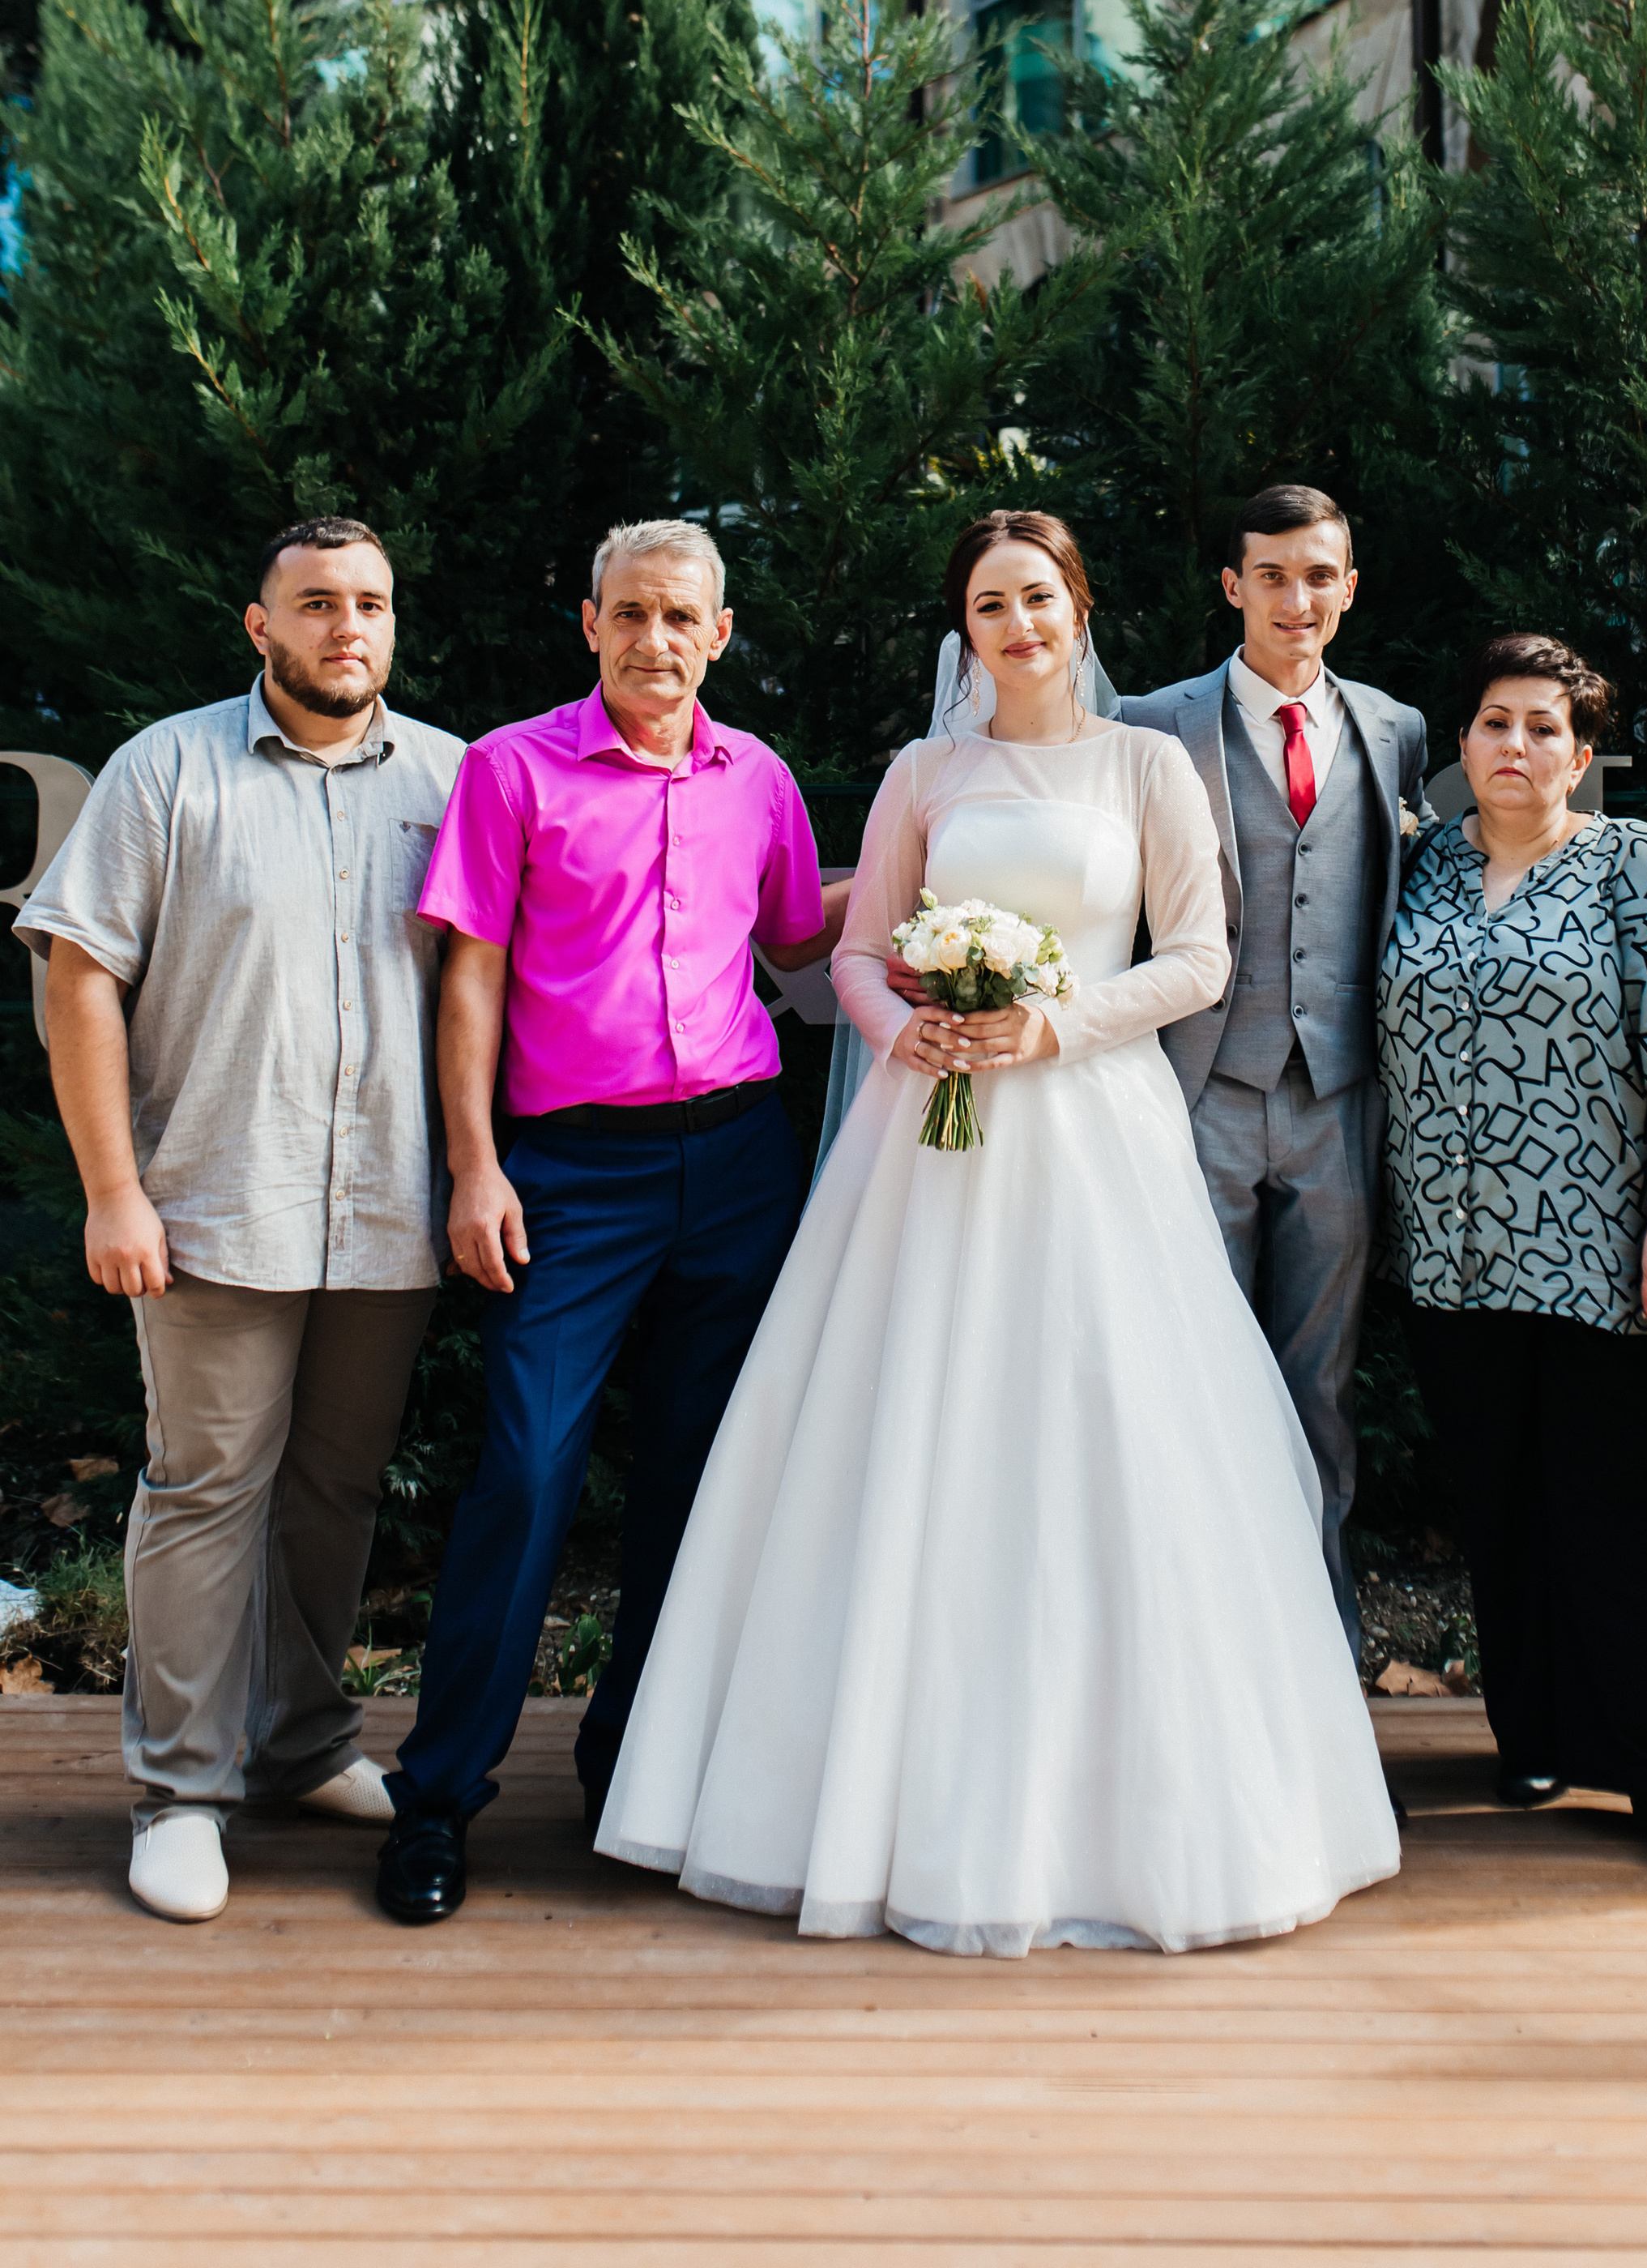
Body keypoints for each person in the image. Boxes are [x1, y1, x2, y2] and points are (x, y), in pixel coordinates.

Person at [596, 508, 1398, 1954]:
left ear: (1077, 606)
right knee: (906, 1429)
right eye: (988, 605)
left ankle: (1130, 1815)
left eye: (1037, 597)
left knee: (1108, 1439)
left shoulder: (1151, 766)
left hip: (1095, 1131)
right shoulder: (926, 772)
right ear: (962, 631)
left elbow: (1200, 957)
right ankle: (858, 1799)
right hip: (930, 1138)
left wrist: (1053, 1023)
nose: (1017, 625)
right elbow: (849, 947)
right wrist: (904, 1025)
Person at [373, 519, 843, 1926]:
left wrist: (965, 902)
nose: (655, 640)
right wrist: (474, 1168)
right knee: (524, 1473)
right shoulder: (511, 769)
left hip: (737, 1165)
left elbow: (801, 939)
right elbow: (471, 982)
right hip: (569, 1174)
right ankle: (438, 1802)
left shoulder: (758, 778)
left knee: (698, 1487)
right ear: (590, 624)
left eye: (680, 617)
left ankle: (632, 1769)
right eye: (629, 613)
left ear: (722, 631)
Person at [16, 517, 461, 1925]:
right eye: (317, 603)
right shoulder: (167, 769)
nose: (349, 628)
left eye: (372, 605)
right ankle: (180, 1792)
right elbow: (78, 976)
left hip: (390, 1211)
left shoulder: (454, 780)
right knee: (205, 1493)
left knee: (335, 1493)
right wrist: (111, 1190)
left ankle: (301, 1746)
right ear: (257, 625)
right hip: (214, 1205)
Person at [1380, 633, 1647, 1873]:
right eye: (1493, 724)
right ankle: (1529, 1734)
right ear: (1461, 746)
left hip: (1598, 1254)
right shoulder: (1418, 874)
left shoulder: (1631, 865)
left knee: (1623, 1510)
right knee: (1503, 1504)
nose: (1515, 746)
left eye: (1543, 727)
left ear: (1581, 755)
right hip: (1452, 1254)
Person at [1118, 485, 1432, 1653]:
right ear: (1232, 587)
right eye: (1274, 577)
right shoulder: (1152, 722)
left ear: (1349, 587)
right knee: (1181, 1378)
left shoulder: (1395, 727)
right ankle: (1184, 1640)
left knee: (1320, 1387)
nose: (1297, 600)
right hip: (1190, 1095)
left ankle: (1314, 1639)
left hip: (1337, 1106)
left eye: (1321, 577)